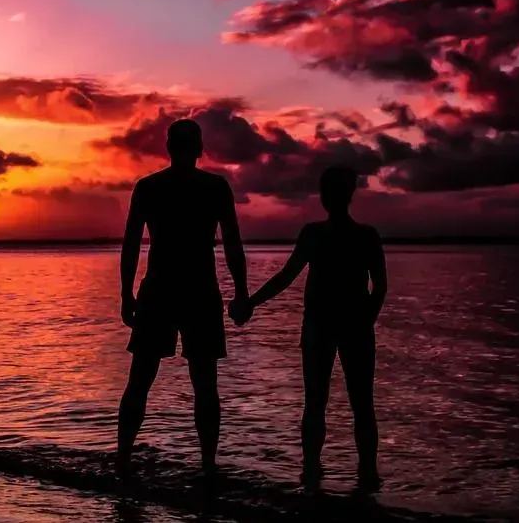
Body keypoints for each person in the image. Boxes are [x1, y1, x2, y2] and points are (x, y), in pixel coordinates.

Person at [231, 164, 387, 488]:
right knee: (338, 403)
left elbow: (380, 286)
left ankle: (331, 476)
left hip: (334, 325)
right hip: (330, 325)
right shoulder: (338, 235)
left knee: (332, 402)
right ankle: (341, 476)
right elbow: (288, 277)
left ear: (330, 196)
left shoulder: (339, 235)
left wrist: (249, 303)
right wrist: (251, 302)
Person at [117, 118, 248, 478]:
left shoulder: (149, 188)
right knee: (203, 384)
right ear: (199, 148)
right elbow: (234, 244)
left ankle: (123, 460)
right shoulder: (214, 188)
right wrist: (241, 292)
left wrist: (126, 293)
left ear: (169, 147)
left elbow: (130, 246)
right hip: (195, 289)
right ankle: (207, 467)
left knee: (141, 379)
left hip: (162, 288)